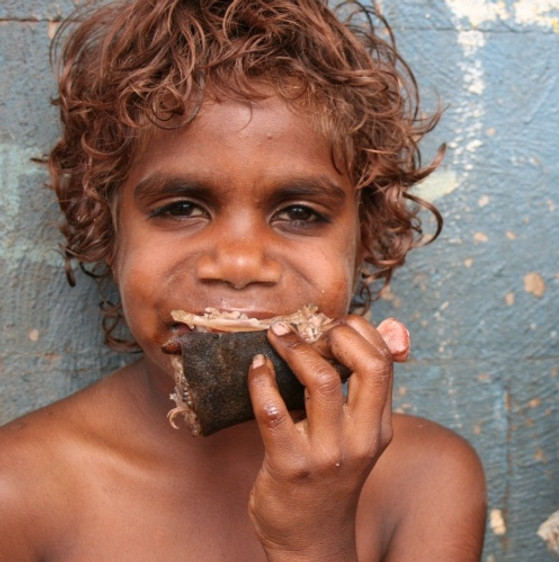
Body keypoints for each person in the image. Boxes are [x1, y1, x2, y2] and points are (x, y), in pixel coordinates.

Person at [0, 0, 486, 560]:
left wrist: (314, 541)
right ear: (105, 231)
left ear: (366, 240)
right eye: (181, 207)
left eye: (299, 213)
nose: (239, 263)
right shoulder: (20, 491)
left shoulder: (425, 479)